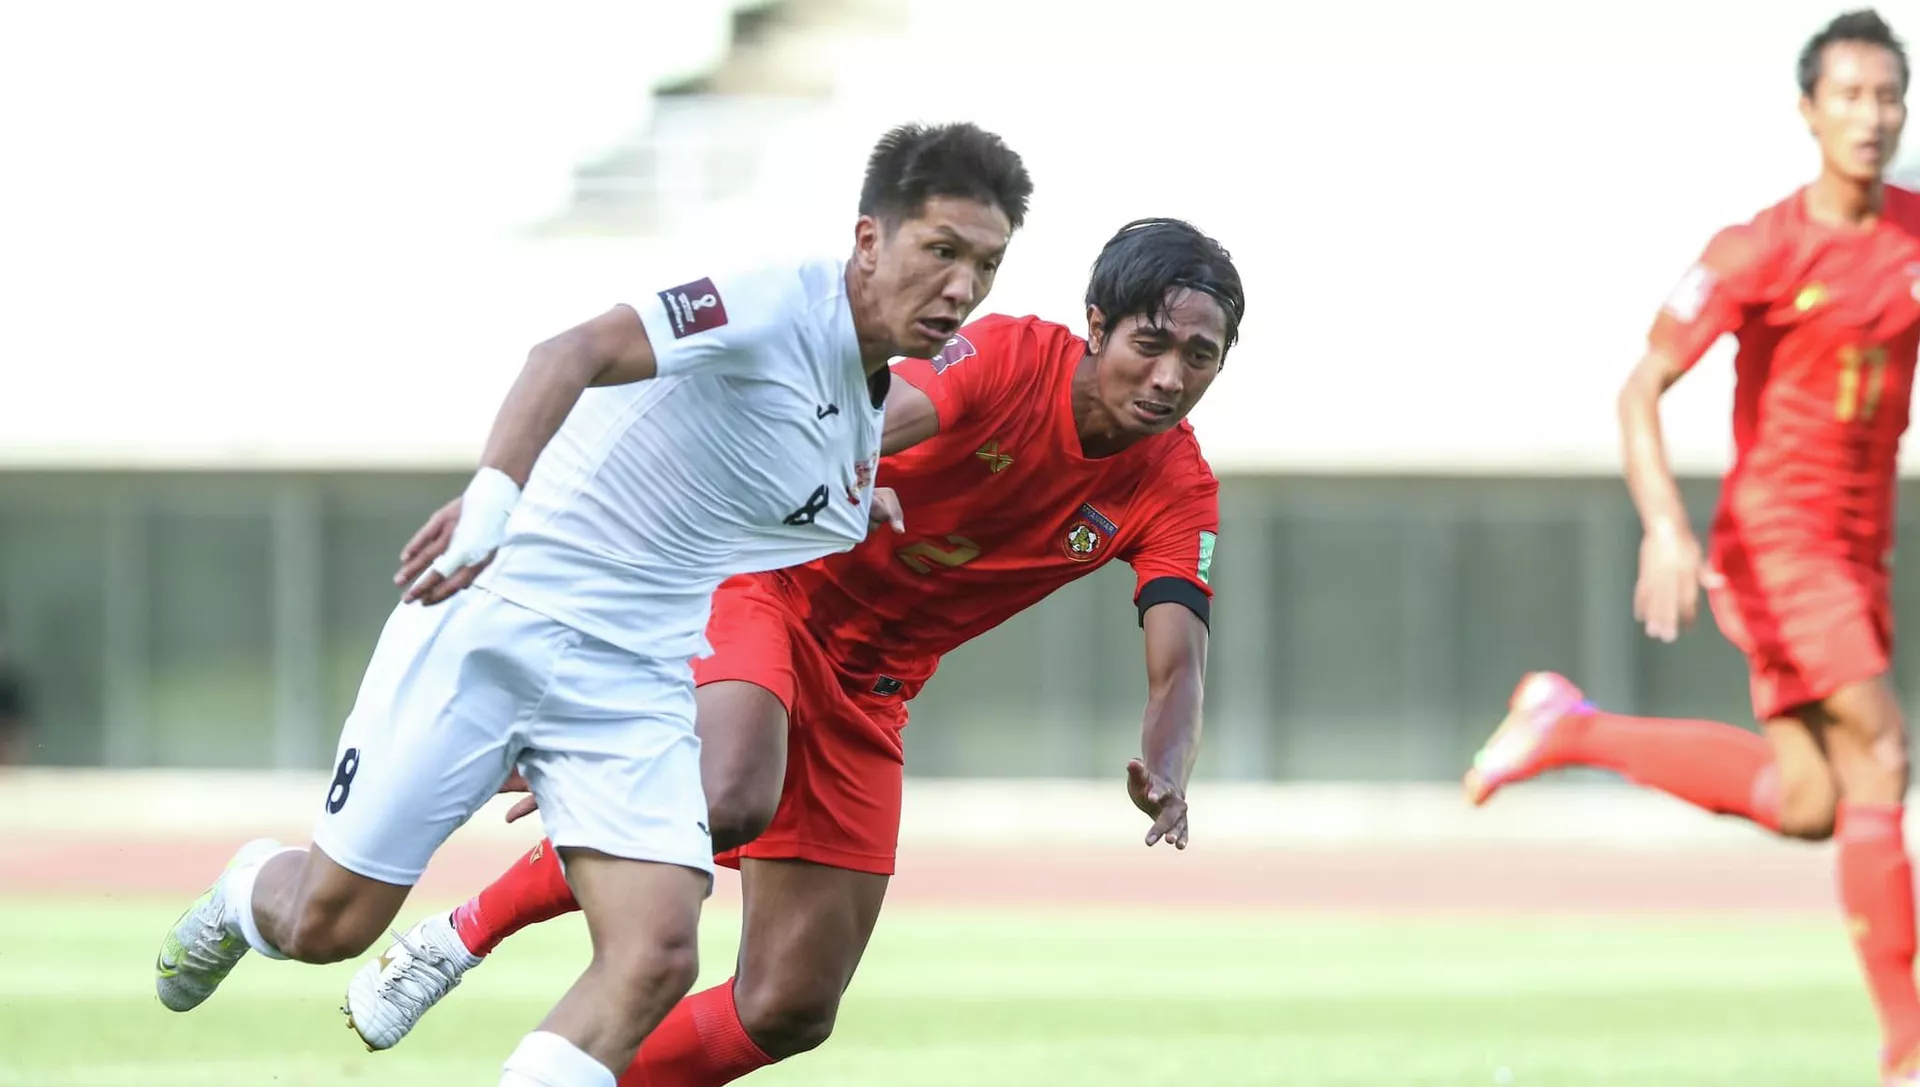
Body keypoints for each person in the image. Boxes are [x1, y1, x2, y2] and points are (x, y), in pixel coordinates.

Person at [152, 120, 1033, 1087]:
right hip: (499, 618)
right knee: (327, 922)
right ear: (870, 239)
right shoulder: (775, 299)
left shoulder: (862, 410)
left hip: (633, 677)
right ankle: (246, 889)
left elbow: (745, 488)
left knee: (657, 953)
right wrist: (493, 500)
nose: (962, 287)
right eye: (941, 251)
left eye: (985, 265)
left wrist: (856, 506)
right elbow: (568, 352)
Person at [348, 217, 1242, 1086]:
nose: (1169, 377)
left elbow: (1179, 668)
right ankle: (460, 933)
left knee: (789, 1005)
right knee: (730, 793)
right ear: (1097, 325)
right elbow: (881, 416)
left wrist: (1168, 770)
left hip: (873, 689)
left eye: (1198, 357)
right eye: (1150, 343)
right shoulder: (1011, 356)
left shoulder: (1176, 484)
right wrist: (842, 472)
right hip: (774, 588)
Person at [1461, 10, 1920, 1084]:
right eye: (1849, 96)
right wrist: (1666, 524)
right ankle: (1909, 1048)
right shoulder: (1755, 249)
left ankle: (1570, 727)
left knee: (1811, 803)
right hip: (1777, 543)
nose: (1870, 116)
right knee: (1884, 753)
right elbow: (1641, 388)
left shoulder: (1912, 234)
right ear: (1808, 111)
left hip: (1859, 551)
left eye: (1888, 97)